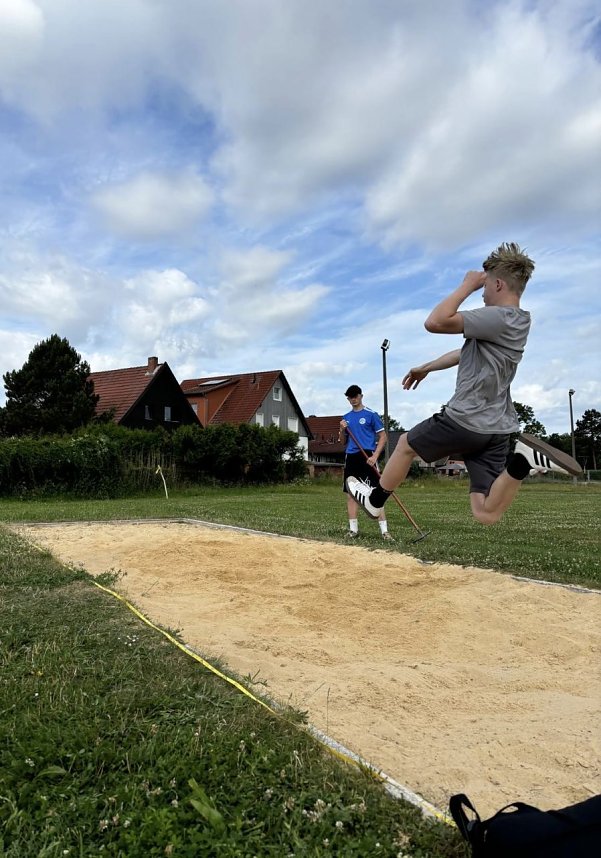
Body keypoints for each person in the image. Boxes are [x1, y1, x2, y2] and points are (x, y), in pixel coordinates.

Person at [347, 242, 582, 526]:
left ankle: (375, 501)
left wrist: (466, 285)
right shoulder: (516, 322)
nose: (481, 294)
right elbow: (464, 353)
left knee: (406, 445)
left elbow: (434, 322)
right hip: (497, 428)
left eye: (484, 287)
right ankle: (521, 463)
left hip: (467, 418)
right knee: (486, 513)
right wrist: (427, 367)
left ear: (497, 283)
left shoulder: (498, 316)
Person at [340, 384, 393, 540]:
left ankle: (384, 531)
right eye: (350, 397)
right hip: (351, 457)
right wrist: (341, 430)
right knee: (351, 494)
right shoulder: (346, 418)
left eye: (355, 396)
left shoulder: (371, 415)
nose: (353, 399)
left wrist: (375, 455)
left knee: (376, 493)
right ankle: (353, 530)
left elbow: (383, 437)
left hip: (368, 455)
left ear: (361, 396)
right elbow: (343, 441)